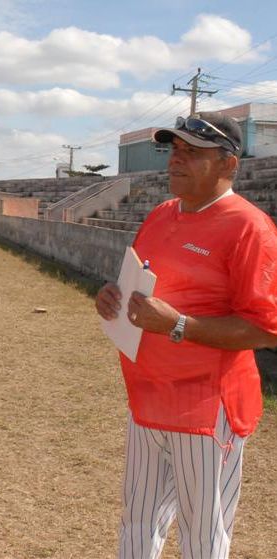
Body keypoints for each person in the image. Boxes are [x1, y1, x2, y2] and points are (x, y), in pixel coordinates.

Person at [95, 111, 277, 558]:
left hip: (206, 409)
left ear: (228, 165)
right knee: (137, 521)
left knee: (202, 535)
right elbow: (142, 281)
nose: (177, 160)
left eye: (193, 153)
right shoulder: (160, 214)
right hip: (147, 398)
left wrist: (178, 325)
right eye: (175, 150)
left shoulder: (249, 228)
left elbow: (264, 328)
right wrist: (112, 297)